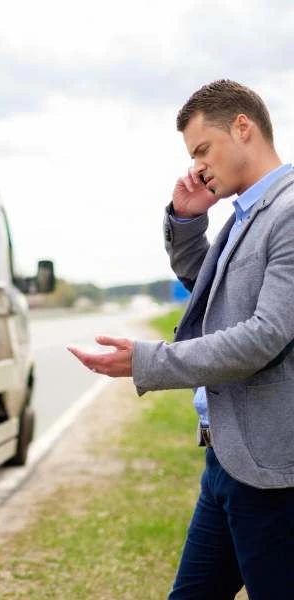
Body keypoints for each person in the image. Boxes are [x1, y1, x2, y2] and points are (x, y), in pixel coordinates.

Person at [68, 79, 294, 599]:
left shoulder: (287, 212)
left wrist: (148, 362)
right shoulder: (242, 215)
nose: (197, 167)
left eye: (202, 150)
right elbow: (210, 296)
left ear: (243, 127)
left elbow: (264, 337)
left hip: (270, 474)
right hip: (225, 461)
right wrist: (188, 221)